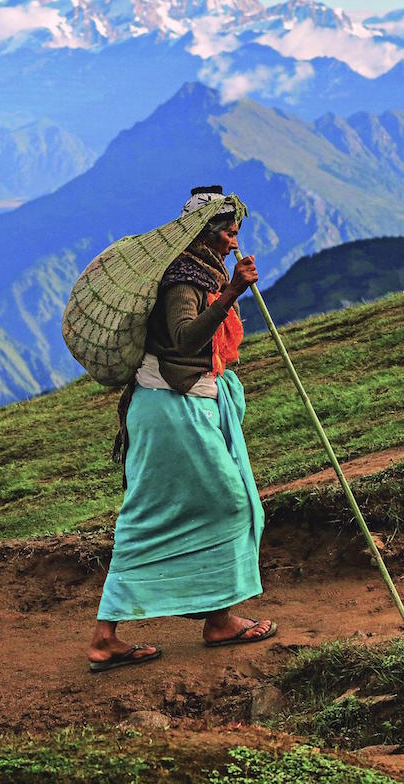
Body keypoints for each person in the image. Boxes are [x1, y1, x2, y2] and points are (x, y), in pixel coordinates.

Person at [87, 186, 276, 673]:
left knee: (188, 507)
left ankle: (212, 619)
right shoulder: (182, 279)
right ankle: (124, 634)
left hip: (182, 406)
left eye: (237, 230)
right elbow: (184, 338)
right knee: (221, 502)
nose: (234, 238)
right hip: (172, 411)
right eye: (227, 230)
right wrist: (232, 292)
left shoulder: (202, 270)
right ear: (205, 234)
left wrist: (228, 287)